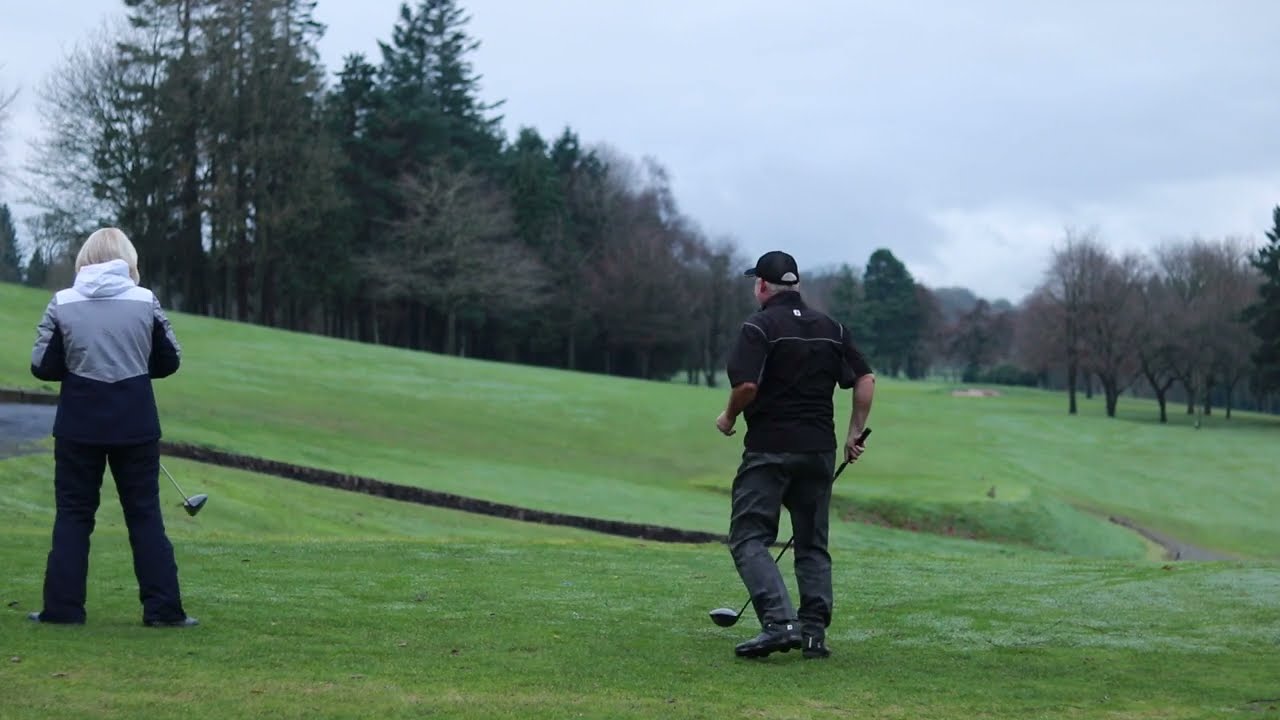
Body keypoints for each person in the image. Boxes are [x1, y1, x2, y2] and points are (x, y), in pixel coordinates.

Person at [27, 227, 197, 628]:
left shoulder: (62, 303)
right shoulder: (145, 301)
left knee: (73, 515)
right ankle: (164, 611)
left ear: (84, 258)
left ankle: (63, 610)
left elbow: (42, 365)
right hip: (134, 421)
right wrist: (132, 369)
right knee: (144, 516)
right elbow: (170, 360)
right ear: (128, 259)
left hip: (78, 424)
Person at [715, 250, 875, 659]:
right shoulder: (832, 328)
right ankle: (812, 633)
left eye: (756, 282)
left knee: (749, 536)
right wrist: (854, 432)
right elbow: (865, 378)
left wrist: (729, 416)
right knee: (811, 542)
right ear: (796, 285)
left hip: (770, 449)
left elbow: (747, 386)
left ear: (763, 286)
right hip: (818, 451)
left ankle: (778, 622)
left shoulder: (759, 327)